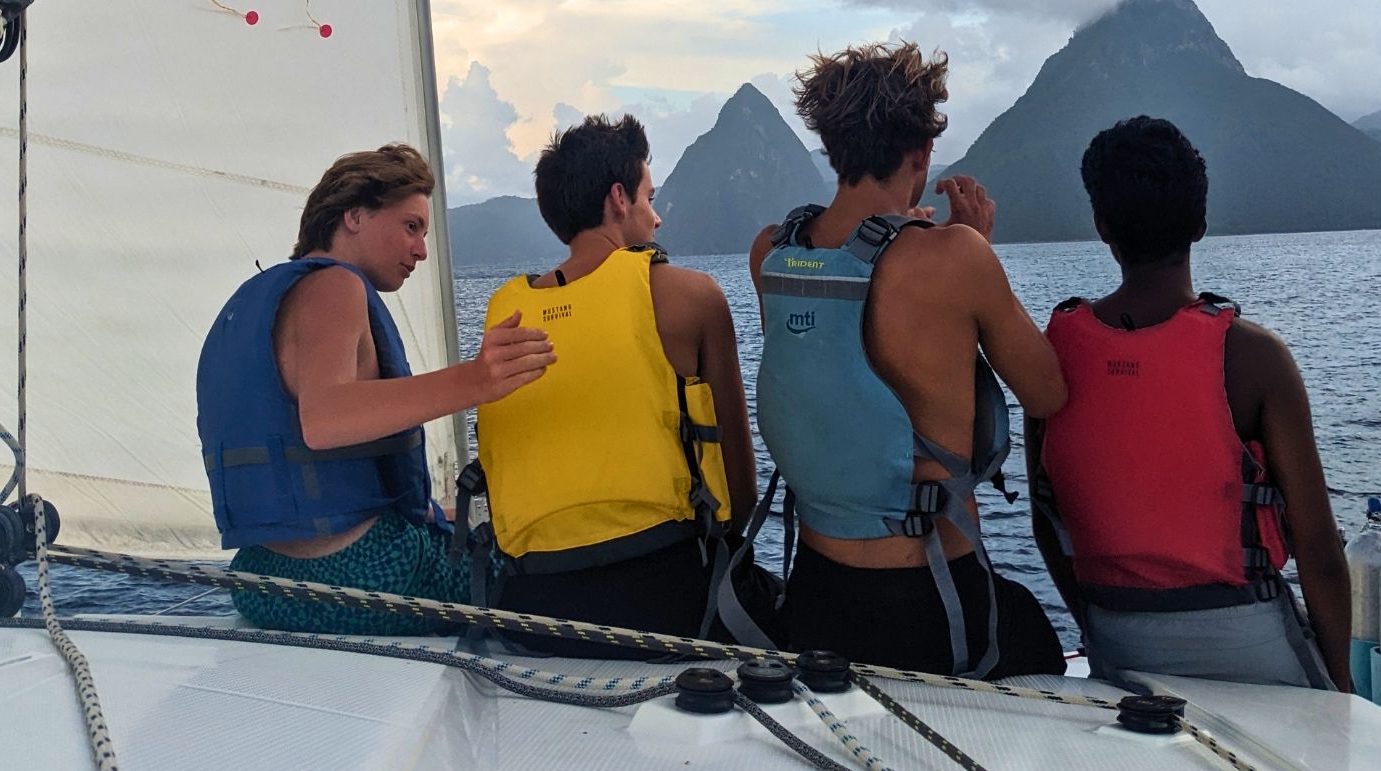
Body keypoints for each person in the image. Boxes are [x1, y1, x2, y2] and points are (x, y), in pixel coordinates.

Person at [750, 42, 1068, 678]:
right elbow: (1047, 394)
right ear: (921, 155)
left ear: (831, 149)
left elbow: (841, 356)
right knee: (1039, 641)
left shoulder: (771, 253)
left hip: (815, 593)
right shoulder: (957, 257)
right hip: (932, 599)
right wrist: (974, 246)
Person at [1029, 116, 1349, 690]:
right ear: (1201, 224)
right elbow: (1320, 551)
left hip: (1115, 638)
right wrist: (1342, 688)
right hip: (1248, 644)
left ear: (1102, 227)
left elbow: (1045, 520)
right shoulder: (1255, 358)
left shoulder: (1051, 352)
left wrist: (1097, 627)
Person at [196, 143, 555, 634]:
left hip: (261, 580)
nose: (422, 250)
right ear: (355, 216)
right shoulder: (335, 286)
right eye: (411, 227)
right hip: (362, 575)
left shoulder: (250, 302)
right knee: (544, 571)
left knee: (457, 526)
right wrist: (477, 379)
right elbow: (324, 421)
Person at [475, 113, 774, 655]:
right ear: (618, 198)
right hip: (669, 594)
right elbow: (741, 491)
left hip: (534, 605)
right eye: (649, 198)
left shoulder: (505, 313)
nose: (657, 218)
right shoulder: (692, 296)